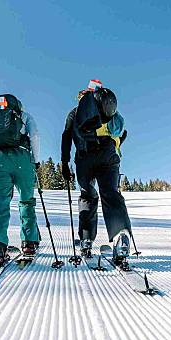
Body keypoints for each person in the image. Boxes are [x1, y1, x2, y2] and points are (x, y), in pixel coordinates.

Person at [61, 80, 132, 261]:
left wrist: (64, 162)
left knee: (88, 196)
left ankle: (85, 240)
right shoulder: (106, 109)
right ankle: (121, 237)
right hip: (108, 154)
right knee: (110, 193)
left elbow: (67, 136)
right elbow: (116, 132)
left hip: (84, 158)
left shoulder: (75, 112)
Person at [0, 94, 41, 267]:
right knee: (26, 200)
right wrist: (35, 161)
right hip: (22, 159)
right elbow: (35, 136)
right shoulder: (25, 116)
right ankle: (29, 243)